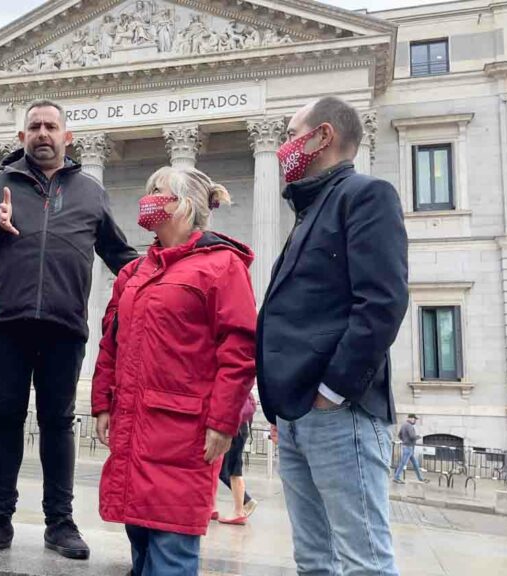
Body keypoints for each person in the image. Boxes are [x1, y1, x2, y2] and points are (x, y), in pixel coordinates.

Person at [0, 100, 138, 560]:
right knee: (5, 417)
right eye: (33, 126)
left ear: (66, 137)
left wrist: (168, 271)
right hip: (6, 324)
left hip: (64, 325)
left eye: (50, 126)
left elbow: (119, 254)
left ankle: (61, 521)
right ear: (21, 137)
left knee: (58, 422)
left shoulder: (91, 191)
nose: (42, 133)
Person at [256, 96, 409, 575]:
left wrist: (331, 392)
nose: (283, 145)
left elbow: (382, 303)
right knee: (314, 560)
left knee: (363, 562)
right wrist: (283, 403)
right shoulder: (310, 209)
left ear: (322, 136)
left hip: (339, 412)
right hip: (297, 413)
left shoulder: (366, 194)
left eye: (291, 133)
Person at [92, 166, 257, 576]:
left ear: (184, 206)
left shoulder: (221, 266)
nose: (147, 198)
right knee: (141, 547)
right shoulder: (133, 272)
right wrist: (101, 403)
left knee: (171, 552)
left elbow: (239, 349)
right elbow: (110, 341)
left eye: (157, 192)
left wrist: (223, 421)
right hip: (135, 430)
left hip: (185, 434)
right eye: (146, 189)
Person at [215, 393, 258, 525]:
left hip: (234, 427)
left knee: (229, 470)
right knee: (231, 468)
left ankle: (242, 507)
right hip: (241, 426)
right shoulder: (244, 388)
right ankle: (240, 506)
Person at [394, 414, 426, 484]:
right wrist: (419, 436)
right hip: (408, 447)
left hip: (408, 447)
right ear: (410, 418)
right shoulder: (409, 426)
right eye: (414, 419)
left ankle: (420, 478)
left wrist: (404, 440)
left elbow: (399, 435)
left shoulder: (403, 425)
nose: (415, 421)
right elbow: (412, 437)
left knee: (415, 464)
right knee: (403, 463)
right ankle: (396, 477)